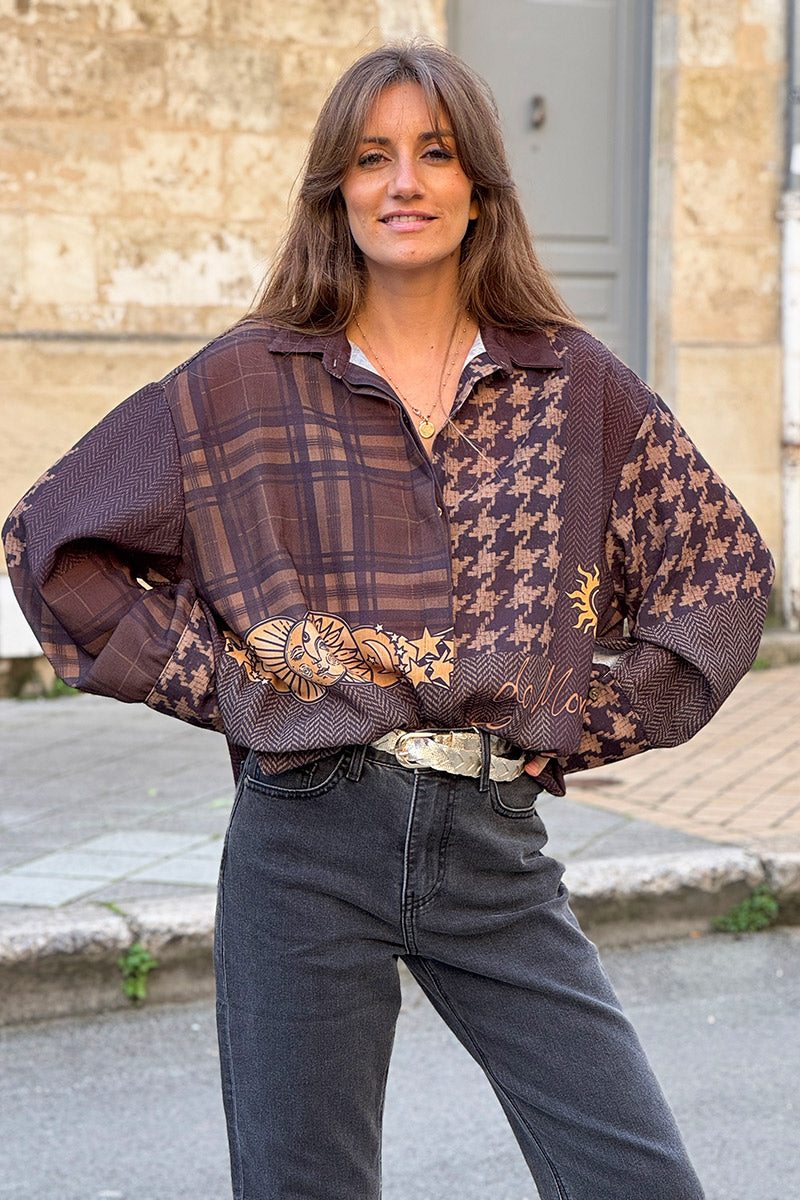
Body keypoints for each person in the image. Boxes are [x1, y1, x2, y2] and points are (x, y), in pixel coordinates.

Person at [3, 40, 773, 1200]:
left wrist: (580, 715)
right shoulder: (239, 386)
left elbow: (718, 573)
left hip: (491, 839)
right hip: (303, 837)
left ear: (478, 190)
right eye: (371, 157)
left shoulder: (571, 386)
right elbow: (52, 542)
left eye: (434, 154)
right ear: (336, 188)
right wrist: (233, 685)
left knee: (635, 1177)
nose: (402, 182)